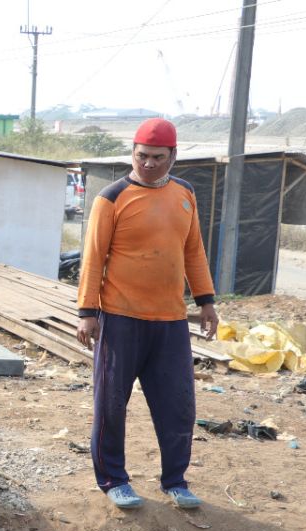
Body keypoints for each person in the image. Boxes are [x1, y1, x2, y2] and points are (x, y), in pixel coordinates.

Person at [75, 118, 218, 510]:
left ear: (173, 155)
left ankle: (175, 480)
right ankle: (113, 480)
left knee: (178, 406)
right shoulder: (112, 197)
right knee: (111, 404)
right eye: (142, 156)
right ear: (132, 154)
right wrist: (87, 312)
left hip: (171, 322)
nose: (149, 164)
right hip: (121, 319)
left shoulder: (185, 194)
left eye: (157, 157)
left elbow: (193, 251)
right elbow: (93, 258)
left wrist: (206, 301)